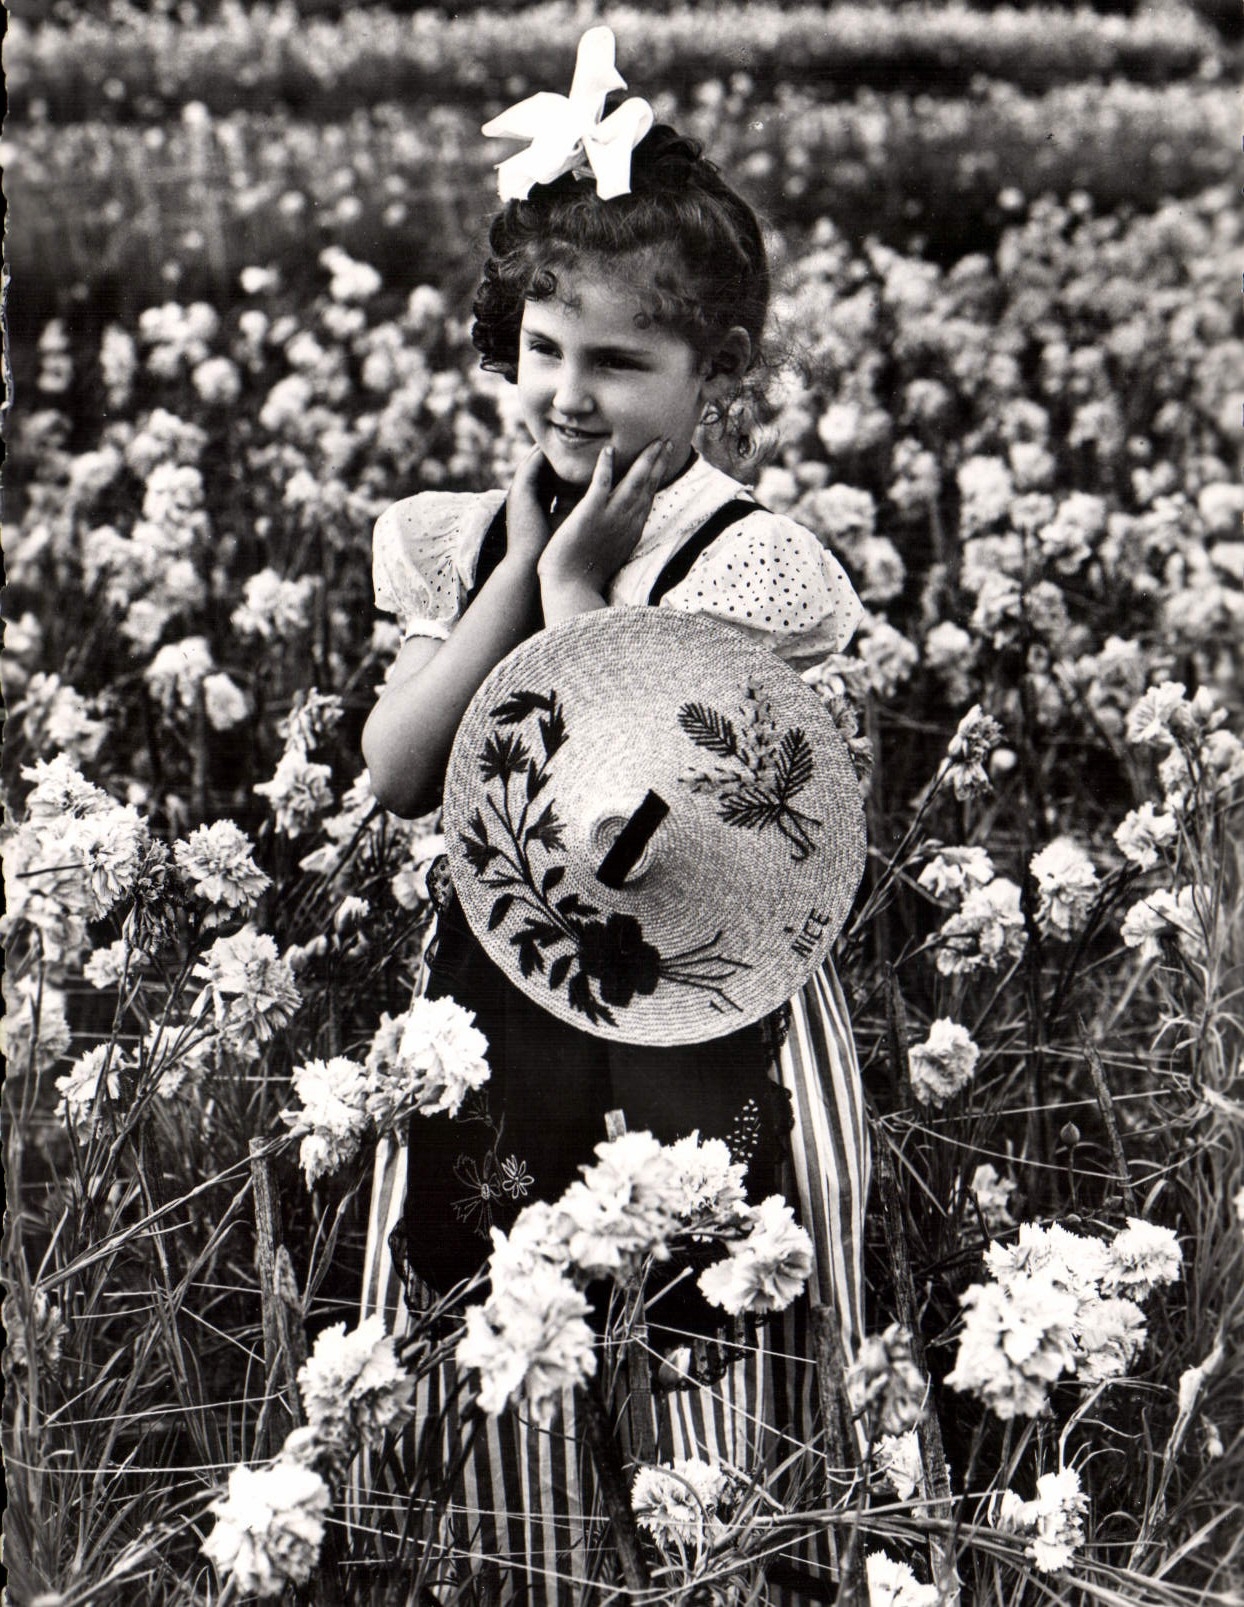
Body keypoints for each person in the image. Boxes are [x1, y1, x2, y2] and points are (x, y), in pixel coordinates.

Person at [358, 69, 869, 1604]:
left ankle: (722, 1568)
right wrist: (517, 573)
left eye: (620, 361)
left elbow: (647, 826)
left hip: (712, 1018)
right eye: (541, 349)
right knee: (502, 1301)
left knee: (709, 1309)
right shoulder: (460, 534)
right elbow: (397, 771)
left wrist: (581, 605)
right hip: (502, 1003)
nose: (568, 395)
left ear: (716, 371)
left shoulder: (756, 562)